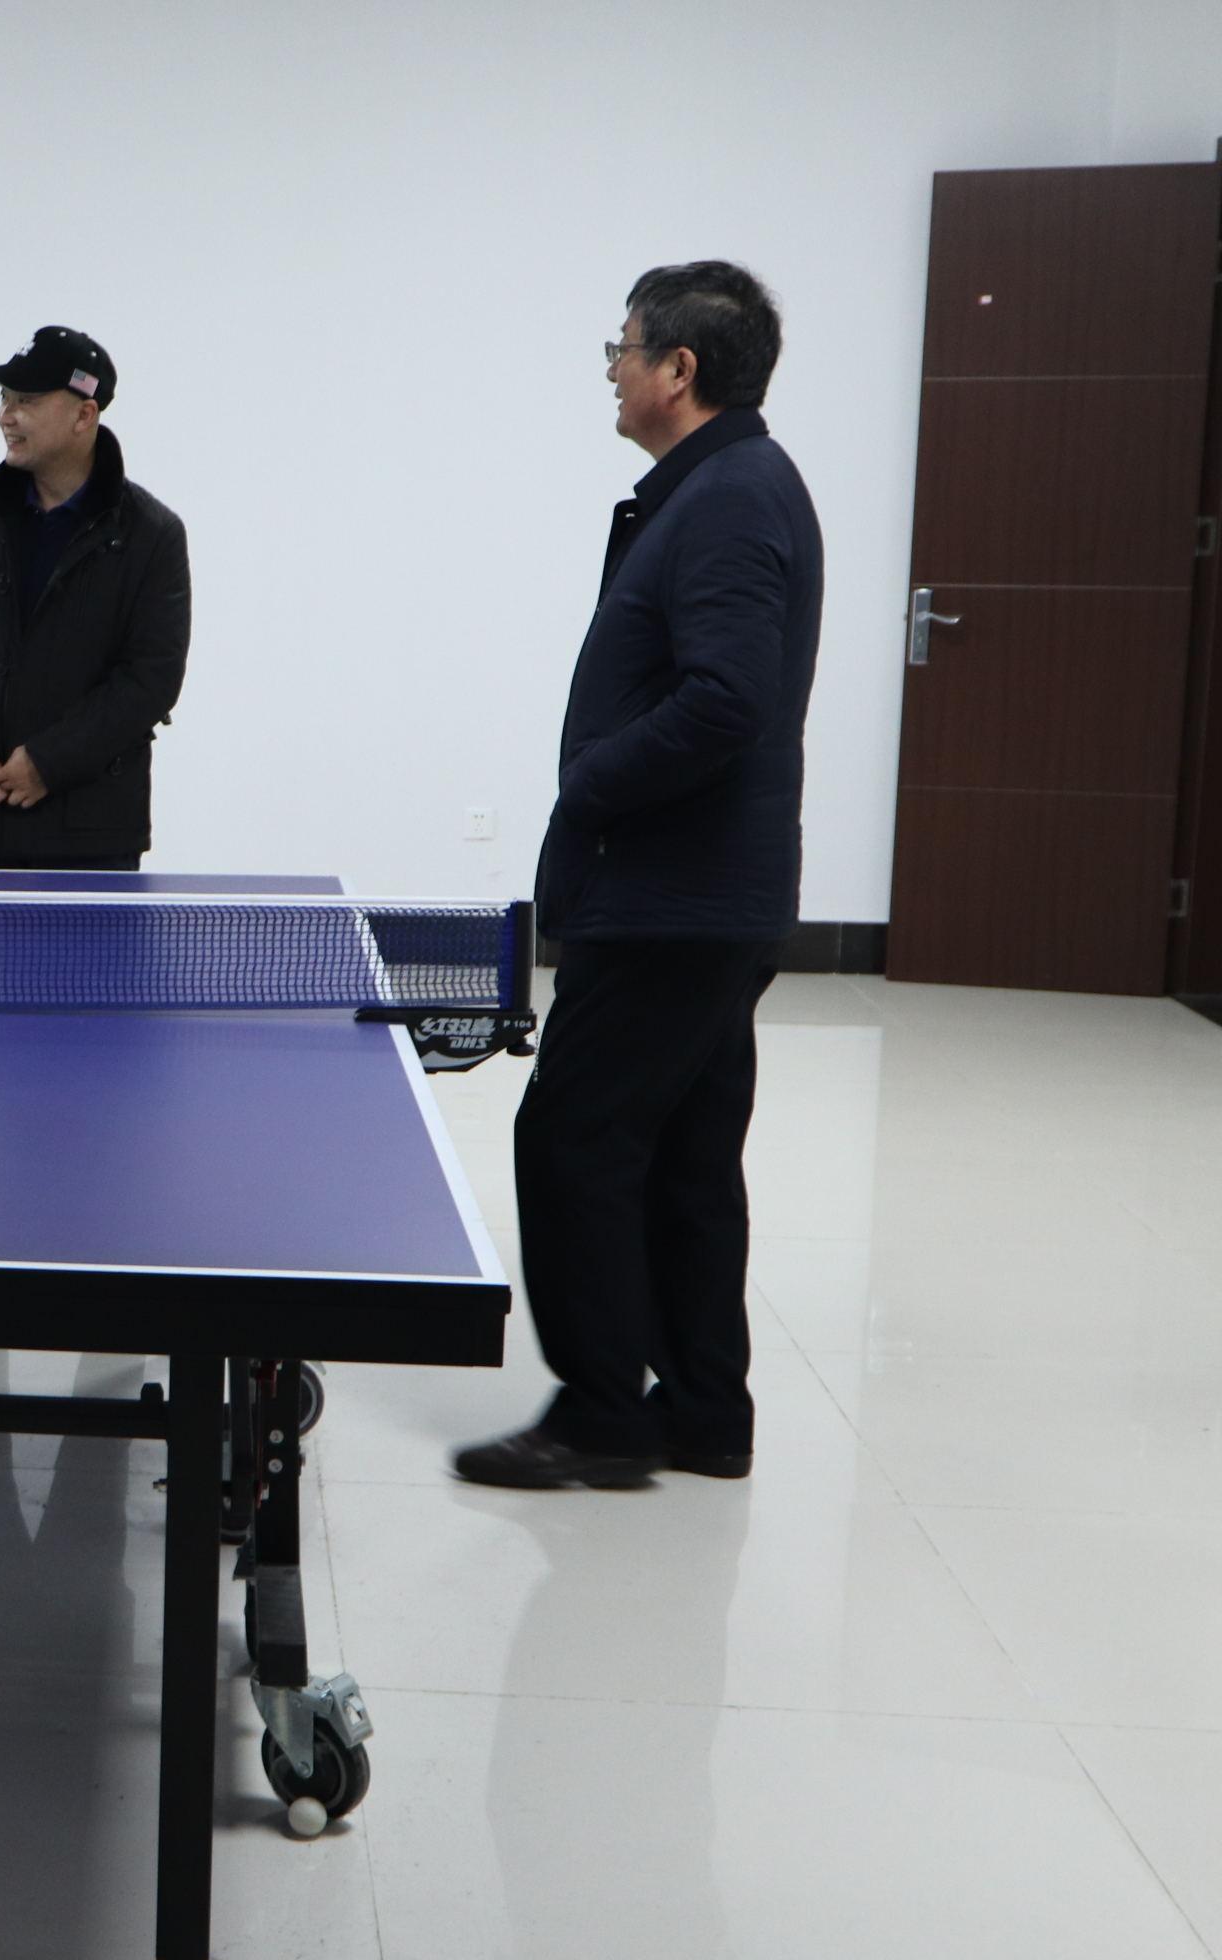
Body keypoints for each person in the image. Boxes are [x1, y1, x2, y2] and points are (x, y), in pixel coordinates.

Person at [454, 262, 823, 1489]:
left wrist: (592, 782)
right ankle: (706, 1410)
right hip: (707, 896)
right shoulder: (728, 485)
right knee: (685, 1155)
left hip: (671, 898)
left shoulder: (727, 497)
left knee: (576, 1137)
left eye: (621, 349)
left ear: (680, 369)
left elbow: (727, 695)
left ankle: (605, 1413)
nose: (610, 371)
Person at [0, 326, 189, 871]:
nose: (6, 415)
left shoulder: (152, 534)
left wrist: (48, 762)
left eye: (27, 400)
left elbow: (151, 679)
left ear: (84, 415)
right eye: (5, 398)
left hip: (92, 838)